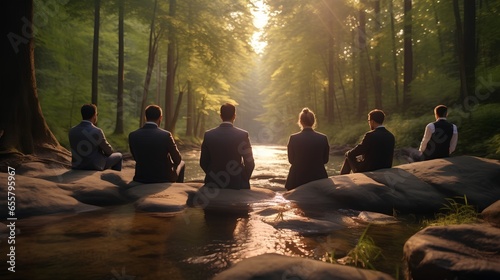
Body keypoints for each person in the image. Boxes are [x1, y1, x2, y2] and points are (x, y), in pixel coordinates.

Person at [200, 103, 255, 190]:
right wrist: (243, 178)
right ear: (234, 116)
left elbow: (203, 162)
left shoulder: (208, 135)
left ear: (221, 116)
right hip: (236, 183)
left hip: (213, 182)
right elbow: (250, 163)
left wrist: (213, 176)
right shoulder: (243, 135)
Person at [128, 105, 185, 183]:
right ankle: (179, 188)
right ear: (160, 118)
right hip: (163, 178)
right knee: (182, 163)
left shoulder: (133, 135)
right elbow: (177, 159)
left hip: (141, 177)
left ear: (145, 117)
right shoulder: (166, 135)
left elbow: (136, 157)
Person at [285, 108, 330, 190]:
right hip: (319, 178)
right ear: (313, 121)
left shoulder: (293, 138)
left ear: (300, 122)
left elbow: (291, 160)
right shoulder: (323, 138)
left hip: (297, 179)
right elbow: (325, 160)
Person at [69, 104, 122, 171]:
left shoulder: (72, 130)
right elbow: (109, 151)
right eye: (97, 114)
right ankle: (114, 178)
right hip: (95, 165)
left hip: (77, 165)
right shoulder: (97, 131)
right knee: (119, 155)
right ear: (94, 115)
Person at [340, 109, 395, 174]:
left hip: (369, 169)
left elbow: (359, 150)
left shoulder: (370, 135)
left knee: (348, 156)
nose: (369, 123)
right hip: (385, 167)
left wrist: (348, 152)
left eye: (369, 121)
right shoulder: (390, 136)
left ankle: (342, 179)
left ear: (372, 121)